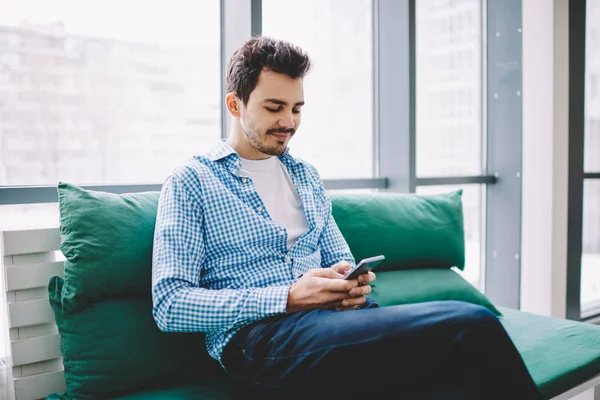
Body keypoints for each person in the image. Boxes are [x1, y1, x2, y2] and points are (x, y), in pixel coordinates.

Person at [152, 36, 543, 399]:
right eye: (274, 107)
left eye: (296, 108)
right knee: (470, 326)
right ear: (235, 105)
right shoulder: (193, 181)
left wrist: (349, 286)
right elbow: (169, 304)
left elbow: (341, 261)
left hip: (334, 326)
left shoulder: (305, 175)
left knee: (456, 370)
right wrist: (287, 298)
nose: (288, 122)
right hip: (260, 341)